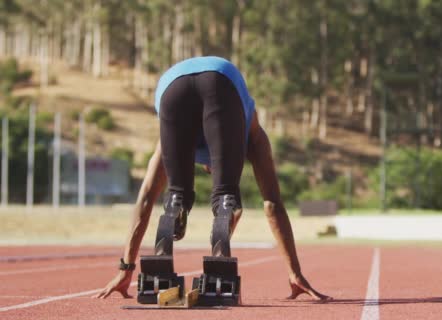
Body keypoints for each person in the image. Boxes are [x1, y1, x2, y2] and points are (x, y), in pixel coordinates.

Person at [94, 56, 330, 301]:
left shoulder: (168, 144)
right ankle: (224, 213)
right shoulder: (254, 136)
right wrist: (294, 271)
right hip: (221, 80)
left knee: (176, 195)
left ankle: (175, 212)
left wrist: (126, 268)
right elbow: (273, 204)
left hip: (172, 84)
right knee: (226, 197)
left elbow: (145, 198)